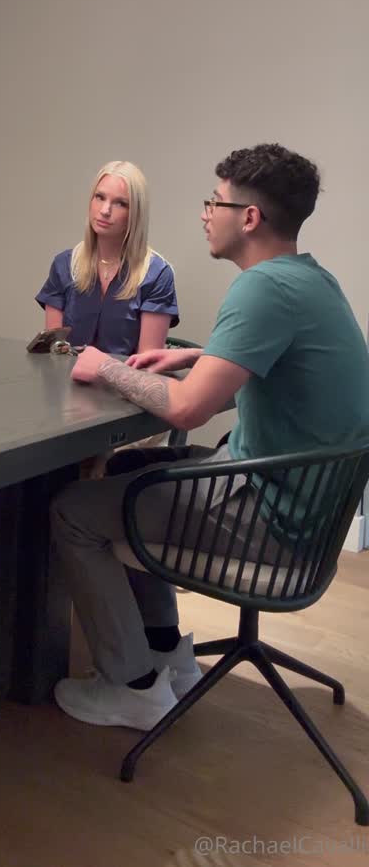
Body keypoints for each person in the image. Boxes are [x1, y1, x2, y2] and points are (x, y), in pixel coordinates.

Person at [51, 143, 369, 731]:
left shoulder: (262, 288)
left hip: (273, 519)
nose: (204, 213)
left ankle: (131, 687)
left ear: (249, 218)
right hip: (305, 506)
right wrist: (203, 354)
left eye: (214, 202)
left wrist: (105, 366)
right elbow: (270, 367)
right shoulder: (311, 280)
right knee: (124, 473)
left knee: (74, 510)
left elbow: (188, 410)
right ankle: (165, 651)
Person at [36, 160, 179, 357]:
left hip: (124, 377)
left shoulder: (157, 274)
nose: (105, 210)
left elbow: (147, 365)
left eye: (120, 203)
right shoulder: (64, 266)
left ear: (135, 213)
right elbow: (54, 354)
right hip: (66, 375)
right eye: (100, 197)